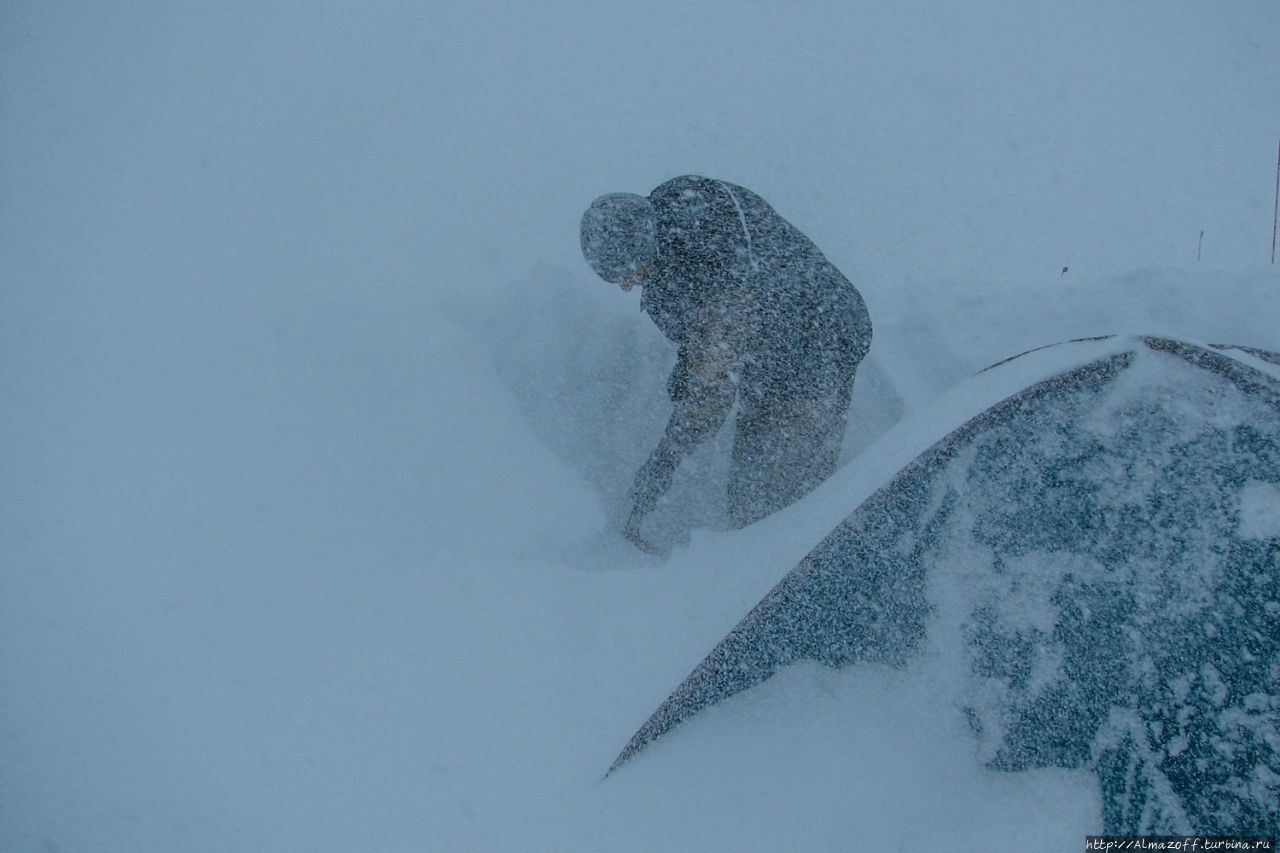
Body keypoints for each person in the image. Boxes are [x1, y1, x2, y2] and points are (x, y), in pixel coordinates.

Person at [580, 175, 872, 553]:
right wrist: (694, 356)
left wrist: (667, 458)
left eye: (627, 275)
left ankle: (805, 572)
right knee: (759, 492)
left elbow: (712, 389)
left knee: (774, 509)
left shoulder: (701, 275)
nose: (625, 287)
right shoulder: (682, 204)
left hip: (813, 356)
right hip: (814, 321)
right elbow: (725, 325)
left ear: (642, 250)